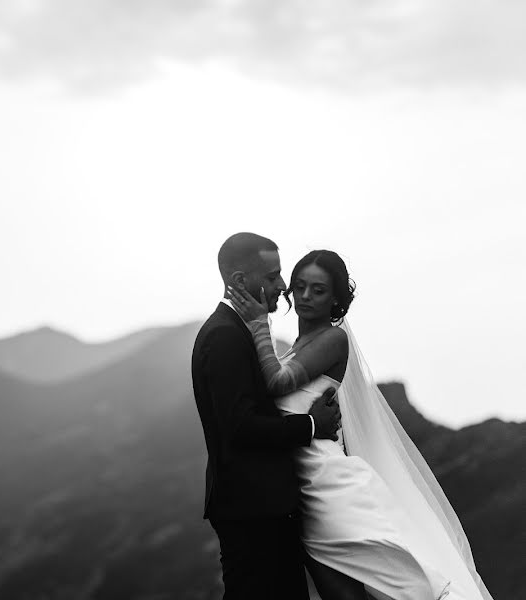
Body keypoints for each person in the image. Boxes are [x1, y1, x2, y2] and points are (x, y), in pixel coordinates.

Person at [225, 249, 494, 600]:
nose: (305, 296)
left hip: (329, 489)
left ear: (335, 298)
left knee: (405, 584)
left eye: (318, 290)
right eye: (300, 286)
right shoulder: (295, 348)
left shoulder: (333, 339)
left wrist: (258, 322)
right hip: (306, 492)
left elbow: (277, 384)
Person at [191, 232, 341, 600]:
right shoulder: (225, 336)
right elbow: (240, 427)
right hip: (251, 508)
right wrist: (311, 424)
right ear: (241, 281)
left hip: (265, 505)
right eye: (273, 276)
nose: (282, 286)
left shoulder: (237, 331)